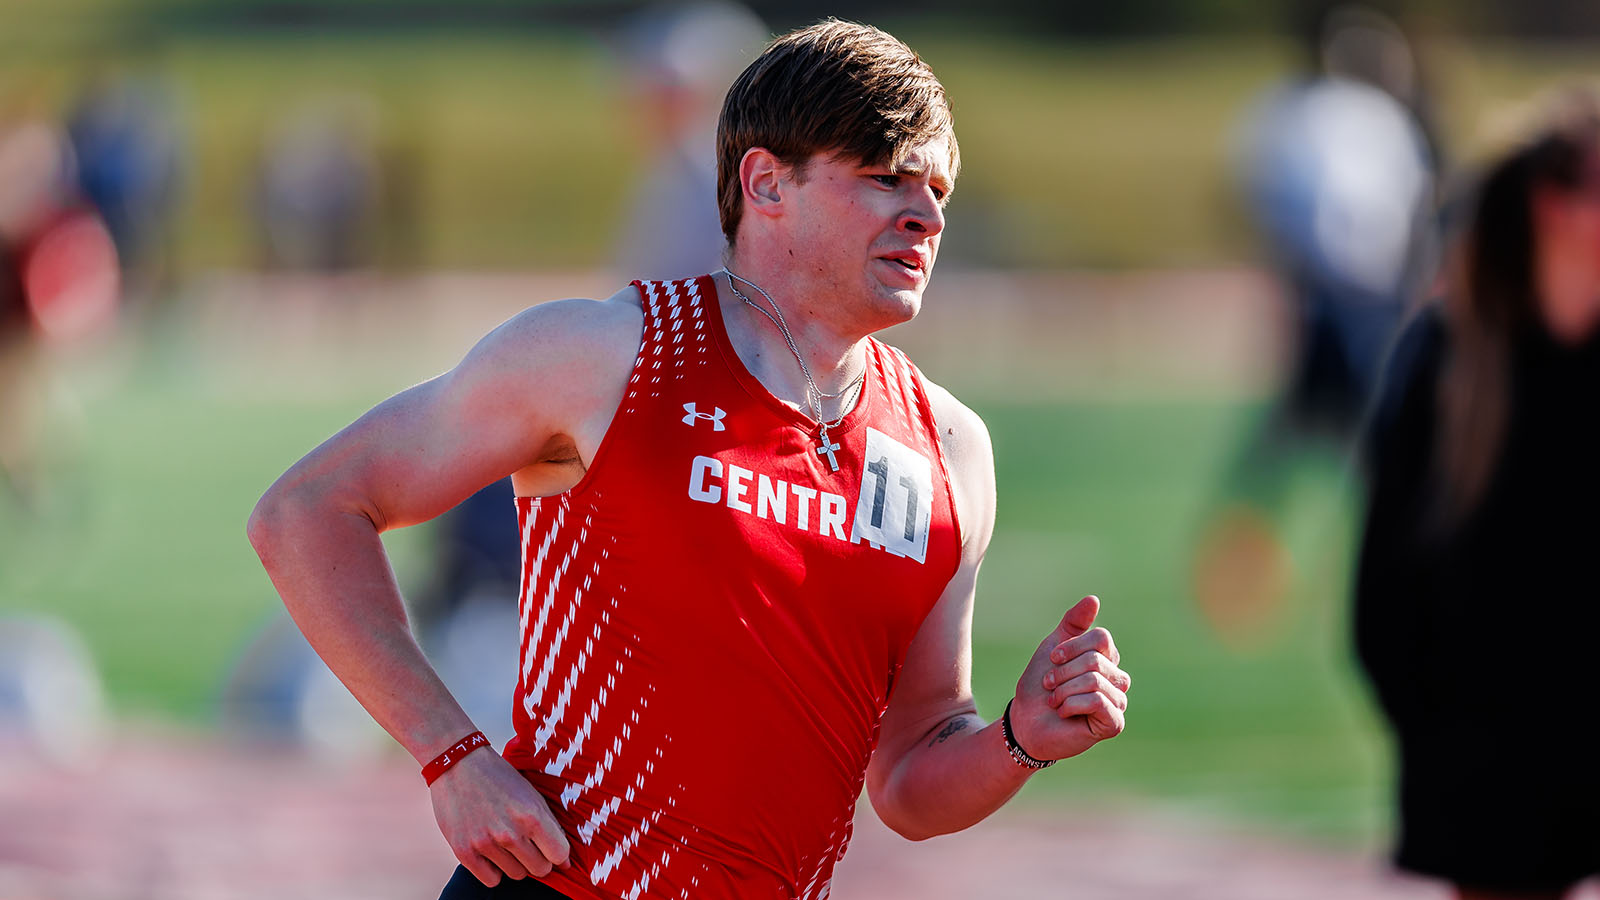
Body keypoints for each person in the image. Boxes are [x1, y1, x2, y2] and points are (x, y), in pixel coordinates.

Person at [248, 19, 1131, 900]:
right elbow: (308, 511)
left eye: (936, 188)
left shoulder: (949, 447)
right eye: (883, 177)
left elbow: (911, 774)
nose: (927, 214)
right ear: (766, 183)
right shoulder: (604, 357)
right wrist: (451, 756)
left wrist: (1019, 737)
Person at [1355, 89, 1600, 900]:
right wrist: (1443, 745)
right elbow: (1385, 590)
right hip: (1494, 769)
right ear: (1554, 206)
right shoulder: (1449, 357)